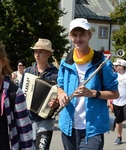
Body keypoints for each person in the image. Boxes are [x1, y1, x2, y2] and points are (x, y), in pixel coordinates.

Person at [57, 18, 119, 150]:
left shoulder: (103, 63)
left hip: (93, 129)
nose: (78, 39)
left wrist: (92, 93)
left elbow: (115, 93)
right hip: (68, 127)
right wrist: (61, 93)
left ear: (89, 35)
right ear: (70, 36)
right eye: (75, 35)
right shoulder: (65, 62)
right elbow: (59, 85)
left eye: (82, 34)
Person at [20, 38, 59, 150]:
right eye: (35, 51)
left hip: (46, 120)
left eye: (41, 52)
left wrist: (56, 104)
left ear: (49, 54)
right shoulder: (28, 72)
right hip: (28, 118)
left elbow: (61, 97)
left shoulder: (56, 74)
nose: (37, 54)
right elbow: (20, 93)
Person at [112, 58, 126, 145]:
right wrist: (109, 100)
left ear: (122, 66)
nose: (115, 67)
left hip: (125, 101)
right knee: (119, 121)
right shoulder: (114, 76)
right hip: (116, 101)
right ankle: (119, 137)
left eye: (117, 65)